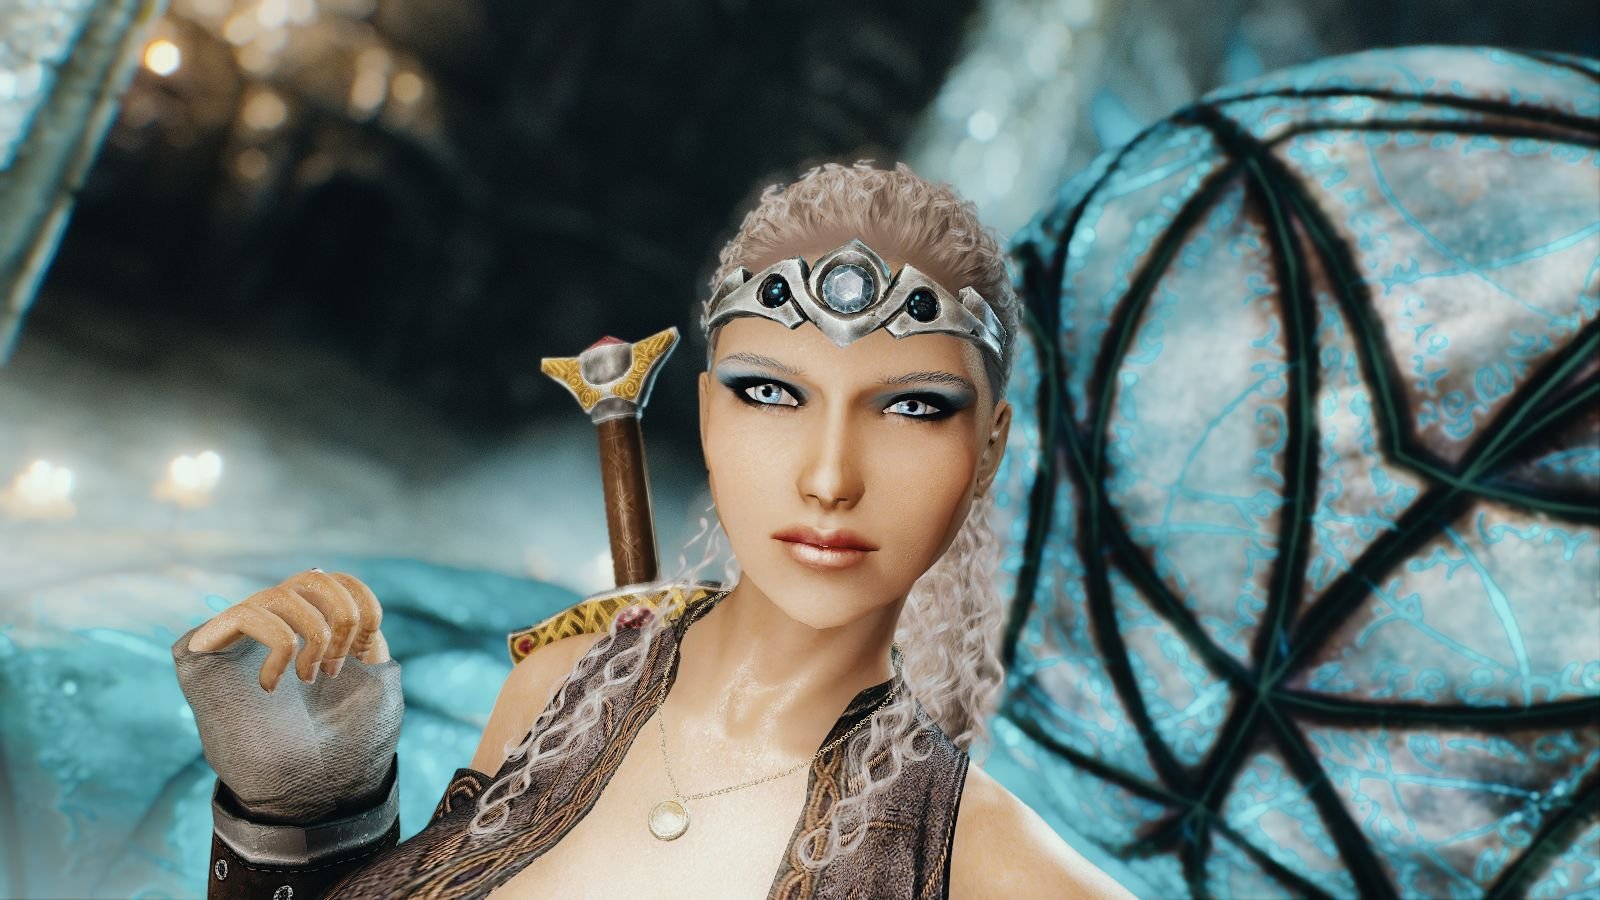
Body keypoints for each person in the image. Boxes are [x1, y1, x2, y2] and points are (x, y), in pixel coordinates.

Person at [173, 161, 1133, 899]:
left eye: (912, 407)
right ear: (710, 415)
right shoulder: (558, 689)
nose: (830, 478)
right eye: (773, 394)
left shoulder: (1004, 872)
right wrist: (303, 818)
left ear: (988, 447)